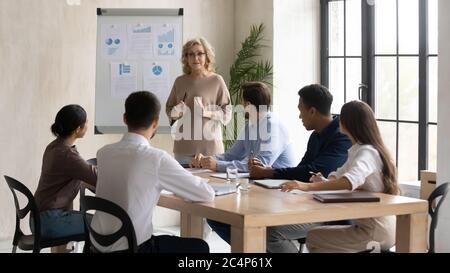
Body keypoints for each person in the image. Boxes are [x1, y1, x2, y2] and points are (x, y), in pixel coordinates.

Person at [90, 91, 215, 253]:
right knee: (200, 247)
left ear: (124, 118)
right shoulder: (157, 159)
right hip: (134, 248)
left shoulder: (103, 153)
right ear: (155, 122)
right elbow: (206, 194)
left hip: (98, 244)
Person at [281, 100, 399, 253]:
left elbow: (349, 181)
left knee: (314, 238)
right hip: (371, 227)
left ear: (347, 123)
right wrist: (322, 181)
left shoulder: (367, 152)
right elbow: (339, 176)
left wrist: (307, 186)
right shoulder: (357, 149)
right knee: (317, 236)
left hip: (375, 231)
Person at [248, 84, 353, 253]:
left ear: (312, 111)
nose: (299, 116)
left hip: (332, 211)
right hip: (310, 203)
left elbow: (314, 172)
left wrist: (269, 172)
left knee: (269, 233)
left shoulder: (342, 137)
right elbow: (302, 169)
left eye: (300, 110)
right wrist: (269, 172)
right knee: (261, 222)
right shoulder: (315, 136)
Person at [190, 81, 296, 172]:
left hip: (280, 186)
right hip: (262, 183)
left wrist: (217, 165)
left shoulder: (273, 127)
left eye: (242, 101)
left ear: (248, 105)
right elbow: (231, 156)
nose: (240, 105)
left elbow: (259, 165)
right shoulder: (249, 126)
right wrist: (206, 160)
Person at [33, 105, 97, 250]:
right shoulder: (66, 154)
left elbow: (82, 168)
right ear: (77, 129)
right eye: (86, 121)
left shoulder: (54, 146)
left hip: (39, 217)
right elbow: (96, 177)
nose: (88, 124)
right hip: (49, 221)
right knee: (102, 225)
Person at [166, 37, 231, 165]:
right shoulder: (180, 81)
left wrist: (206, 112)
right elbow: (169, 110)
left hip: (211, 150)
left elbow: (227, 114)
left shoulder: (217, 80)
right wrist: (175, 112)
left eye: (200, 53)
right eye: (191, 54)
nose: (196, 58)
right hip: (183, 150)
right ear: (186, 58)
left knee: (212, 185)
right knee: (183, 185)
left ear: (207, 56)